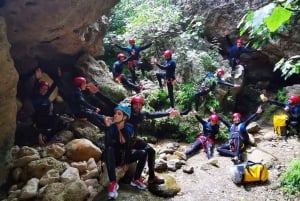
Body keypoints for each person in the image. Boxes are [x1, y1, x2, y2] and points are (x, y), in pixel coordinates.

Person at [128, 96, 179, 184]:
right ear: (132, 105)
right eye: (135, 104)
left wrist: (168, 113)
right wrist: (96, 93)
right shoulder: (126, 112)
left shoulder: (142, 114)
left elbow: (153, 115)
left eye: (140, 105)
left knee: (151, 151)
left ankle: (152, 177)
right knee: (143, 153)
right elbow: (110, 103)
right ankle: (136, 178)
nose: (137, 107)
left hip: (133, 140)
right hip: (124, 142)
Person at [104, 104, 147, 199]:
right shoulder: (111, 127)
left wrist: (127, 162)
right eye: (115, 113)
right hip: (114, 158)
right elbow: (107, 144)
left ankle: (136, 179)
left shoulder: (129, 127)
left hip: (124, 156)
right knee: (109, 149)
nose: (115, 115)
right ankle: (113, 183)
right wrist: (107, 128)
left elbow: (128, 144)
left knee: (143, 153)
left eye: (119, 114)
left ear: (125, 117)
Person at [31, 68, 65, 146]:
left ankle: (46, 136)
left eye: (46, 89)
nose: (44, 90)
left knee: (63, 124)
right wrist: (38, 79)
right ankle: (43, 136)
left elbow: (54, 85)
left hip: (48, 118)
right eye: (42, 88)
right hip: (39, 119)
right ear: (39, 89)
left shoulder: (45, 96)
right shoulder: (35, 96)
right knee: (54, 119)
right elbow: (35, 87)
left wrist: (59, 77)